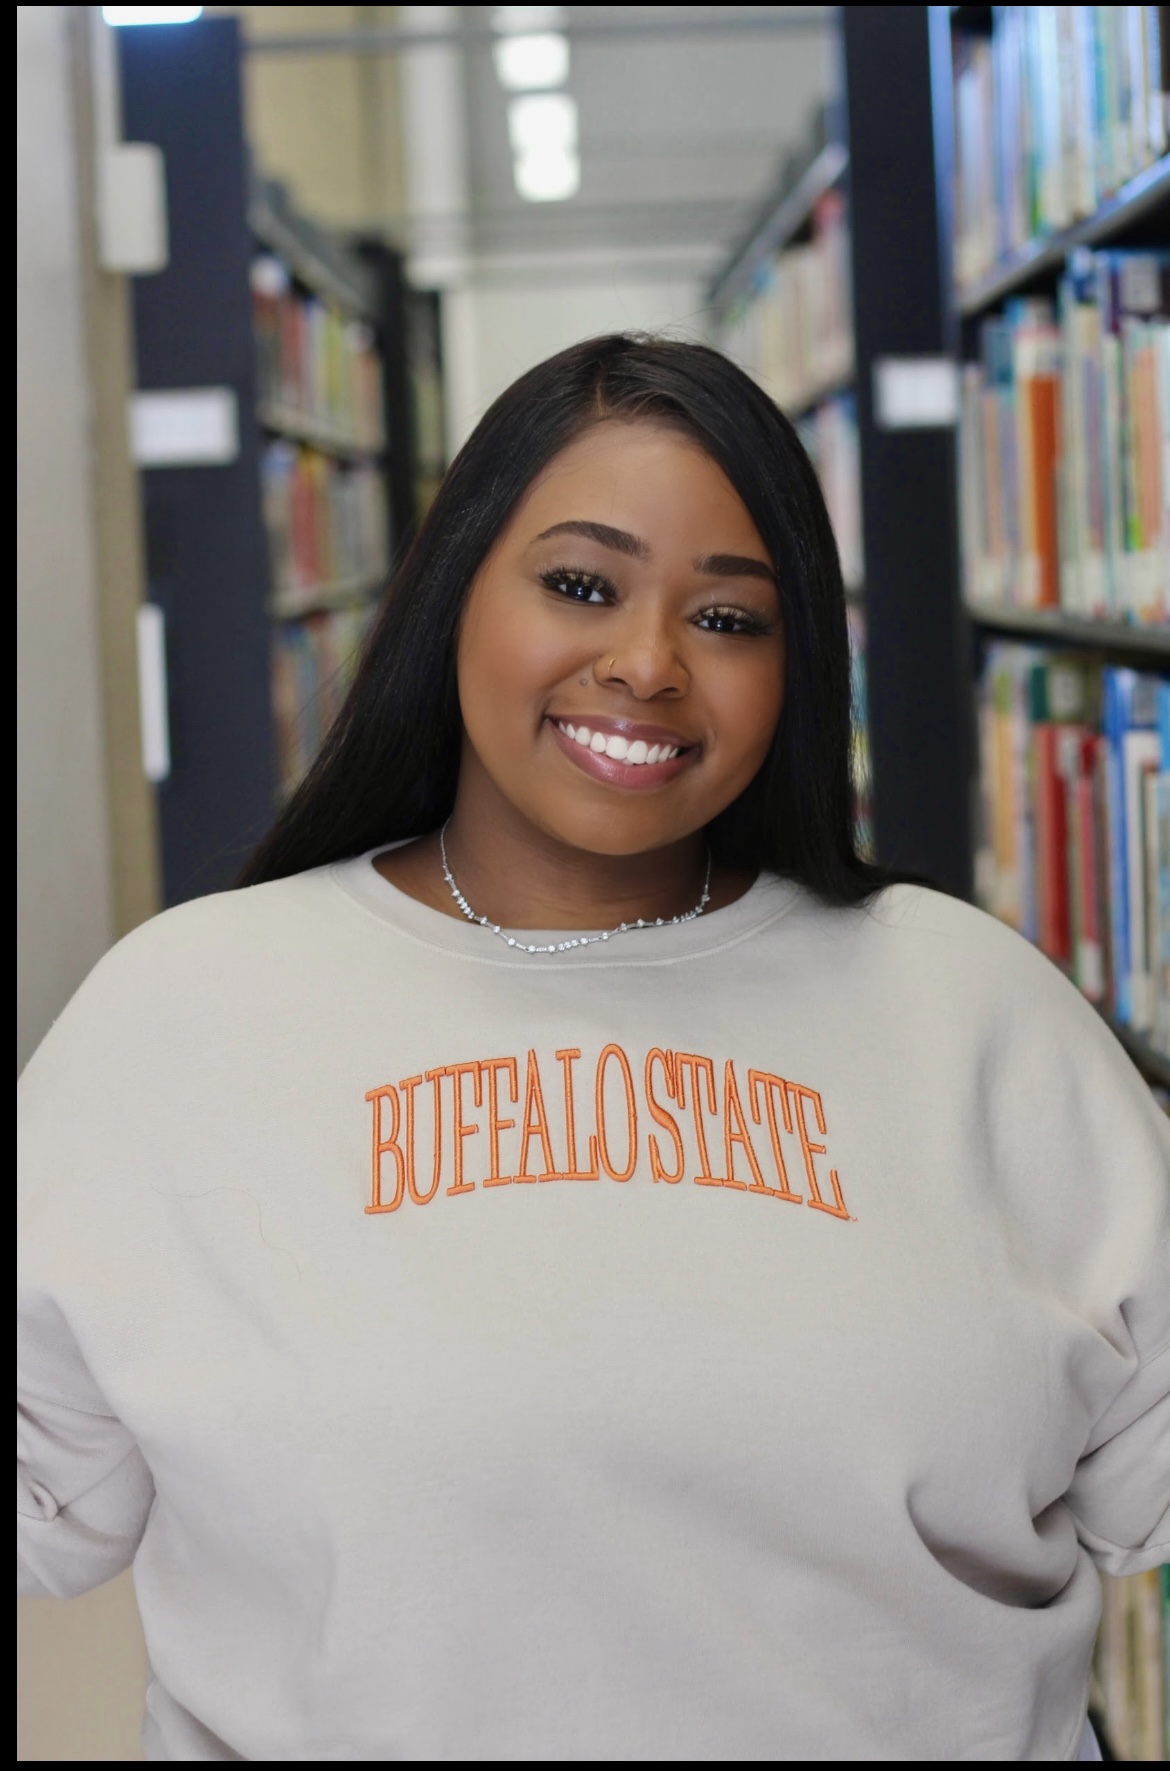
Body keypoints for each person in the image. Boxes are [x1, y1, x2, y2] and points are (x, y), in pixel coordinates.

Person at [18, 336, 1167, 1762]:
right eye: (579, 585)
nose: (647, 665)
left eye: (730, 619)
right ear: (454, 593)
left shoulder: (972, 1008)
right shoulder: (185, 1011)